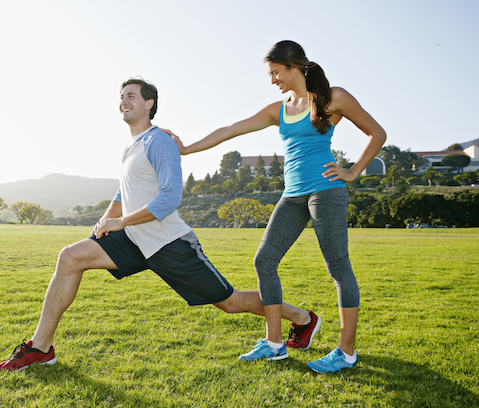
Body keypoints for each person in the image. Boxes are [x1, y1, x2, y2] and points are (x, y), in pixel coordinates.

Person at [0, 77, 316, 372]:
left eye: (131, 96)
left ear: (149, 104)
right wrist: (108, 218)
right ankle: (40, 347)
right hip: (134, 240)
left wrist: (121, 221)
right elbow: (123, 193)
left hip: (169, 244)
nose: (124, 101)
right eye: (121, 97)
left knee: (229, 303)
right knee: (70, 257)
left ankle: (302, 318)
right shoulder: (130, 148)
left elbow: (169, 197)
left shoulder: (158, 141)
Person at [164, 41, 386, 373]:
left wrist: (352, 172)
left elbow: (377, 133)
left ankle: (346, 351)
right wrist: (186, 149)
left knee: (338, 268)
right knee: (264, 259)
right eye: (270, 75)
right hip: (292, 195)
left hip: (326, 191)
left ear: (295, 66)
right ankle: (274, 344)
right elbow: (230, 130)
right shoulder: (277, 109)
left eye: (276, 72)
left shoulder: (331, 98)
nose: (273, 80)